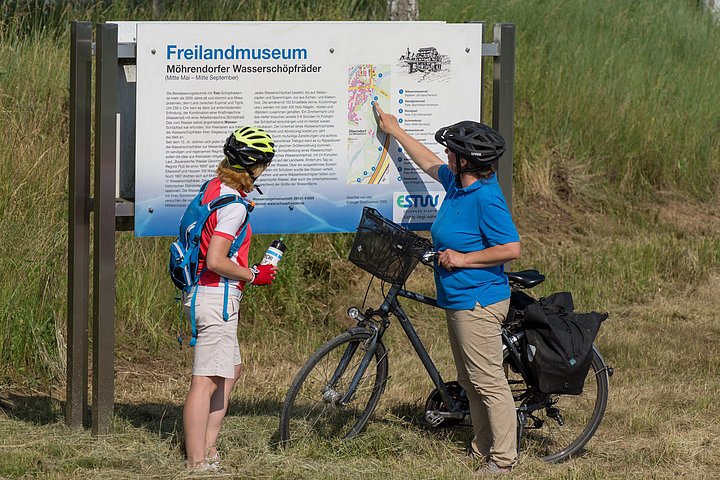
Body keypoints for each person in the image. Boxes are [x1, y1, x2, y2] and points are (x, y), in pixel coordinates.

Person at [375, 105, 521, 475]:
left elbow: (511, 248)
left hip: (479, 300)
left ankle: (503, 459)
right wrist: (395, 130)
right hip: (459, 300)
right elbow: (427, 162)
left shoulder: (486, 197)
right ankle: (481, 446)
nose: (445, 156)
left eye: (451, 152)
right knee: (471, 379)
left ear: (465, 161)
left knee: (488, 380)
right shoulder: (458, 184)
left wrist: (462, 259)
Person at [182, 126, 278, 470]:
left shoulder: (213, 188)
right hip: (216, 295)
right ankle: (197, 463)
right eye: (264, 164)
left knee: (231, 370)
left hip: (205, 293)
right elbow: (216, 260)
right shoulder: (234, 206)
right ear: (255, 166)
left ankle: (209, 449)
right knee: (205, 381)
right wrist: (254, 274)